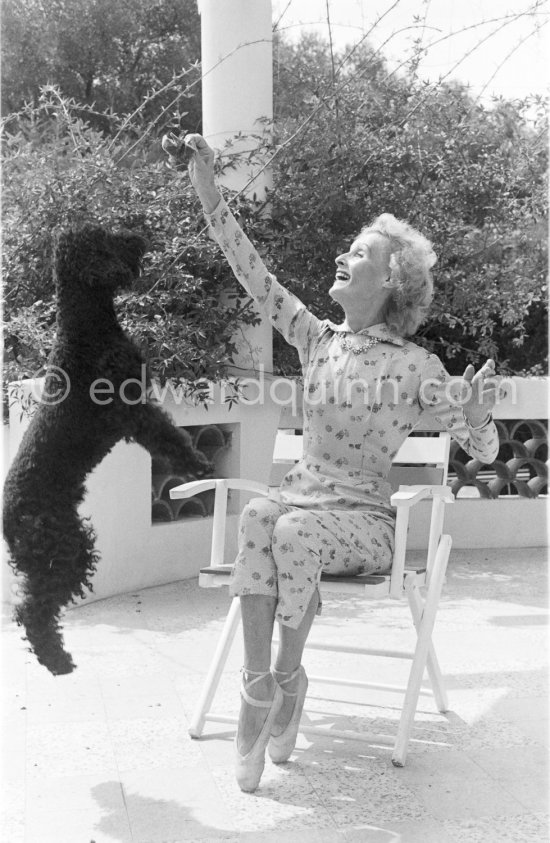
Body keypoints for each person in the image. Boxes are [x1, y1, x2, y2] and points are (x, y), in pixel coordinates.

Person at [163, 132, 500, 792]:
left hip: (364, 524)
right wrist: (208, 193)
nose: (345, 256)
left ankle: (289, 676)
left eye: (361, 253)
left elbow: (482, 452)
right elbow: (250, 271)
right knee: (262, 513)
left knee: (285, 527)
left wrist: (480, 415)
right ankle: (259, 685)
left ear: (391, 282)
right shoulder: (315, 339)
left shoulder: (413, 366)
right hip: (300, 506)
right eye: (350, 248)